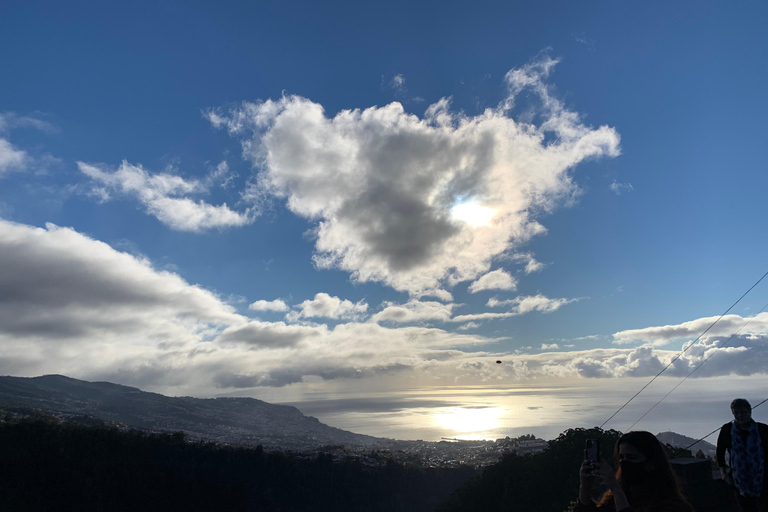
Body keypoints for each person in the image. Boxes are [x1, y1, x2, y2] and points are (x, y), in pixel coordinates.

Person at [575, 431, 694, 512]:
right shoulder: (613, 500)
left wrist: (616, 489)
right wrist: (585, 487)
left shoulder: (672, 506)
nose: (625, 463)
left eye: (632, 458)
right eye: (621, 458)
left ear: (652, 463)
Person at [716, 398, 768, 511]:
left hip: (763, 479)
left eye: (743, 412)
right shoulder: (727, 430)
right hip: (739, 480)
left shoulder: (763, 429)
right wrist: (724, 473)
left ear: (750, 412)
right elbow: (720, 452)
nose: (740, 416)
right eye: (736, 413)